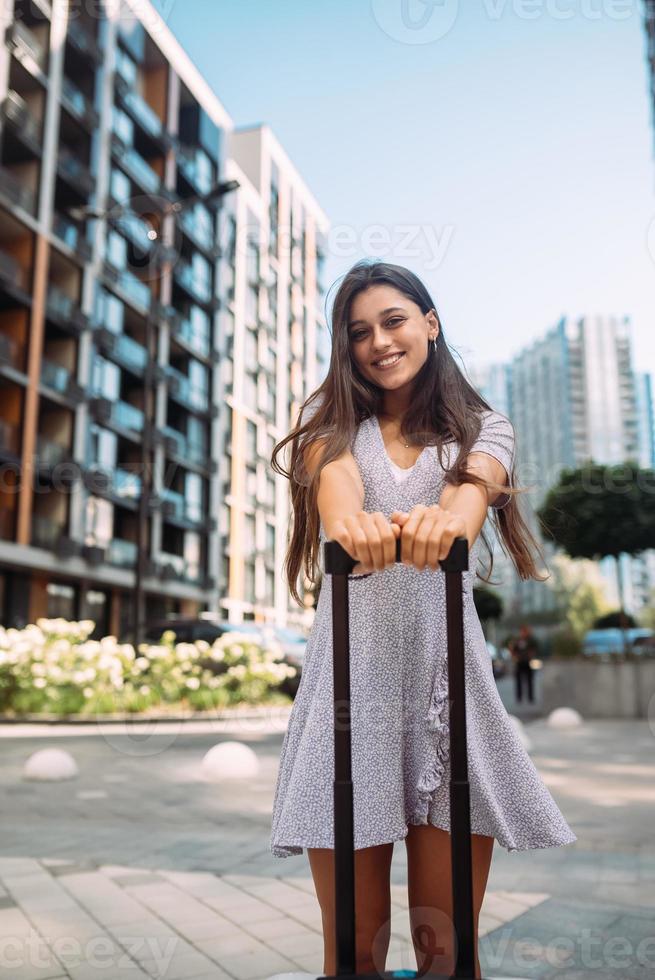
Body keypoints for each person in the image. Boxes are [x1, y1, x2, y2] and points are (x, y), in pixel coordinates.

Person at [268, 259, 577, 978]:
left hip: (449, 705)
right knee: (352, 955)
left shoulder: (482, 428)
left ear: (429, 326)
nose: (377, 341)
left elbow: (469, 498)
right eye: (358, 332)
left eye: (393, 320)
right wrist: (353, 530)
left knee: (447, 954)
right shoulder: (329, 431)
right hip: (350, 706)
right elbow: (340, 503)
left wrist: (448, 522)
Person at [510, 624, 539, 704]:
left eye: (525, 631)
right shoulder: (517, 640)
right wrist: (515, 656)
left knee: (529, 680)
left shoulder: (531, 640)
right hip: (519, 662)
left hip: (528, 662)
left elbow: (535, 649)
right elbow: (513, 650)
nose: (523, 633)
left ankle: (530, 697)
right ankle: (519, 697)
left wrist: (531, 655)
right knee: (518, 681)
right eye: (522, 631)